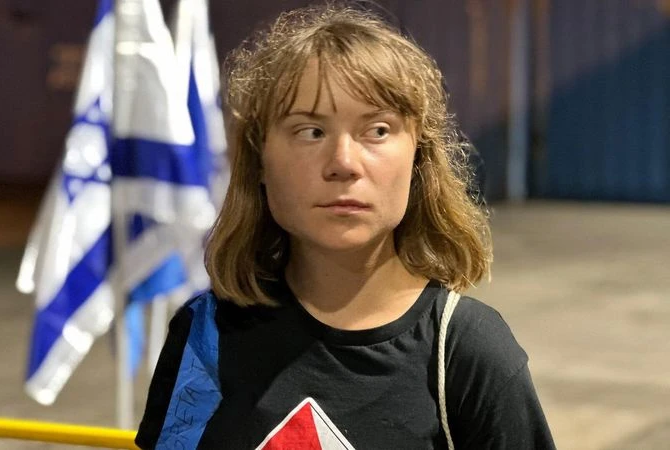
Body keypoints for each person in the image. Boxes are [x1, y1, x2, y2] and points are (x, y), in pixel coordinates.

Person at [136, 3, 554, 449]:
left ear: (418, 158)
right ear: (259, 160)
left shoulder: (469, 350)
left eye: (377, 130)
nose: (343, 163)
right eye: (310, 131)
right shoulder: (207, 333)